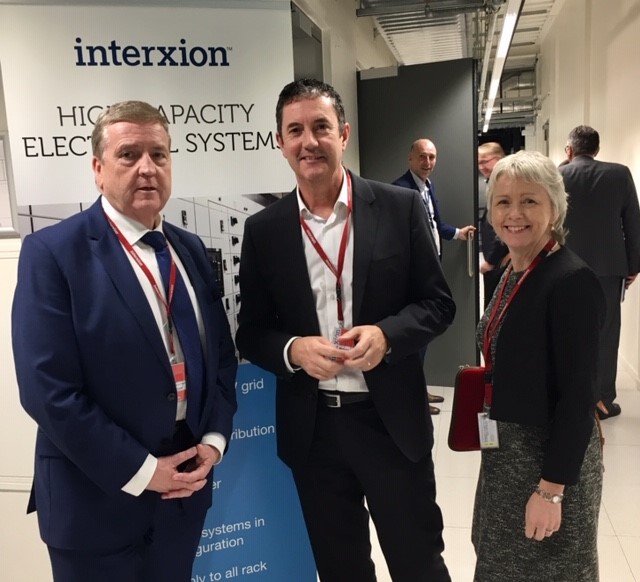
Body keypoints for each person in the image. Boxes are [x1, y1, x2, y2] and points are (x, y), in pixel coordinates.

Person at [235, 78, 455, 582]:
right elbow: (251, 332)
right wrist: (292, 350)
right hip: (314, 434)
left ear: (344, 134)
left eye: (320, 127)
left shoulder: (397, 209)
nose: (308, 141)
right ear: (280, 142)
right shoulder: (263, 230)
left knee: (418, 563)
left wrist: (388, 335)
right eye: (295, 130)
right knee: (341, 570)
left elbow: (439, 304)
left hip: (389, 423)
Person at [12, 100, 238, 582]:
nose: (147, 168)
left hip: (183, 498)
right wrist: (141, 470)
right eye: (129, 155)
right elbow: (47, 390)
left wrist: (214, 442)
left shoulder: (190, 249)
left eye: (159, 155)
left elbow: (221, 359)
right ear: (97, 169)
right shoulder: (52, 253)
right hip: (95, 503)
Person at [472, 150, 605, 581]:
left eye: (529, 200)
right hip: (506, 454)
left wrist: (550, 492)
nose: (514, 213)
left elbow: (578, 397)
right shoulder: (513, 268)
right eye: (503, 201)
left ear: (554, 207)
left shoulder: (570, 280)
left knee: (550, 569)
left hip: (547, 465)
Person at [560, 125, 640, 420]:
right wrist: (634, 266)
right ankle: (603, 400)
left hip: (565, 268)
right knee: (606, 334)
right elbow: (632, 221)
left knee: (568, 330)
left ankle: (569, 397)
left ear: (570, 150)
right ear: (596, 149)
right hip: (609, 269)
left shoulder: (558, 174)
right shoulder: (619, 174)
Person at [392, 137, 474, 414]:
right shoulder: (399, 191)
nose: (428, 163)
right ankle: (412, 397)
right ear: (410, 159)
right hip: (412, 276)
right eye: (423, 157)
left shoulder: (428, 187)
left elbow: (435, 224)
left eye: (432, 157)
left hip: (430, 270)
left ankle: (418, 390)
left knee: (424, 333)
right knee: (415, 334)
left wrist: (457, 233)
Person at [477, 142, 509, 307]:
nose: (481, 167)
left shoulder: (502, 185)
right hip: (497, 258)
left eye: (485, 161)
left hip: (499, 260)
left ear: (498, 159)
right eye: (479, 163)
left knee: (495, 306)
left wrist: (491, 260)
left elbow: (504, 224)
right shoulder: (493, 182)